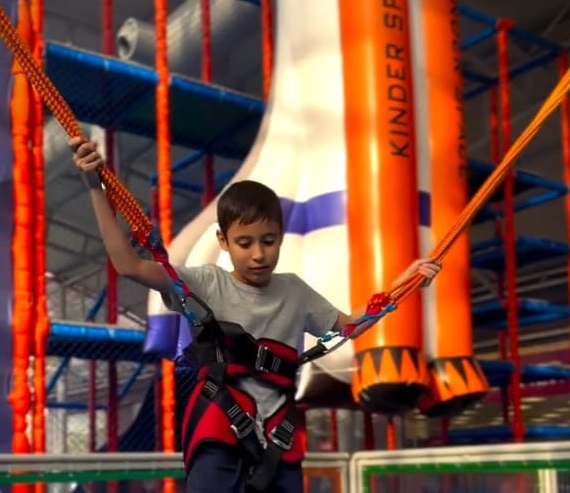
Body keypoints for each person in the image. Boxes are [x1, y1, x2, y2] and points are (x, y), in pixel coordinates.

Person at [69, 137, 441, 493]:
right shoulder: (205, 284)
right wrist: (95, 187)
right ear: (223, 242)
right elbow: (129, 264)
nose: (259, 254)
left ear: (281, 237)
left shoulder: (294, 291)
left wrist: (401, 286)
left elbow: (348, 327)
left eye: (269, 241)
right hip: (218, 429)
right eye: (245, 244)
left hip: (278, 435)